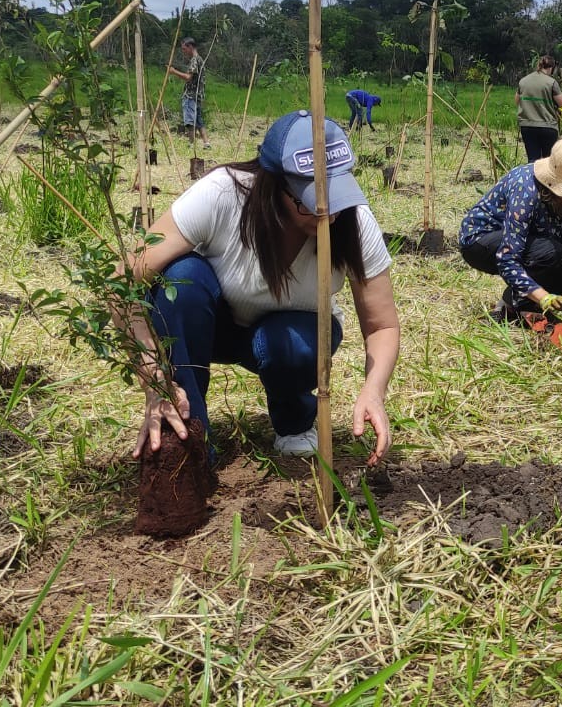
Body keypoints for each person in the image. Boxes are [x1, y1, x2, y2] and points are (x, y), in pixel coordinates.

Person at [119, 110, 400, 465]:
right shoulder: (222, 194)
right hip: (209, 324)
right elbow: (121, 284)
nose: (327, 216)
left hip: (293, 335)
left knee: (290, 346)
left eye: (334, 200)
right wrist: (153, 380)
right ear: (273, 185)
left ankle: (295, 422)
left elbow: (382, 325)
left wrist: (374, 391)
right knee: (181, 280)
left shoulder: (355, 223)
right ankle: (187, 434)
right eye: (308, 203)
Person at [459, 136, 562, 321]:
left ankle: (528, 304)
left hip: (538, 238)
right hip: (483, 240)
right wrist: (543, 297)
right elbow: (508, 258)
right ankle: (512, 306)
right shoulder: (526, 187)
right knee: (549, 251)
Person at [515, 56, 562, 162]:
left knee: (533, 160)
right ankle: (545, 178)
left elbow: (517, 101)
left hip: (527, 126)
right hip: (547, 126)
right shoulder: (551, 83)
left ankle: (533, 178)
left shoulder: (523, 81)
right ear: (551, 68)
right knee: (547, 161)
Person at [166, 38, 210, 149]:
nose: (184, 51)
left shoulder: (195, 60)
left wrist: (173, 71)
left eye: (184, 49)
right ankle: (206, 143)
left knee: (190, 121)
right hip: (198, 95)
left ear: (190, 47)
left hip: (191, 95)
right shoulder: (200, 59)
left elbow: (188, 77)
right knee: (199, 121)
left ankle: (191, 144)